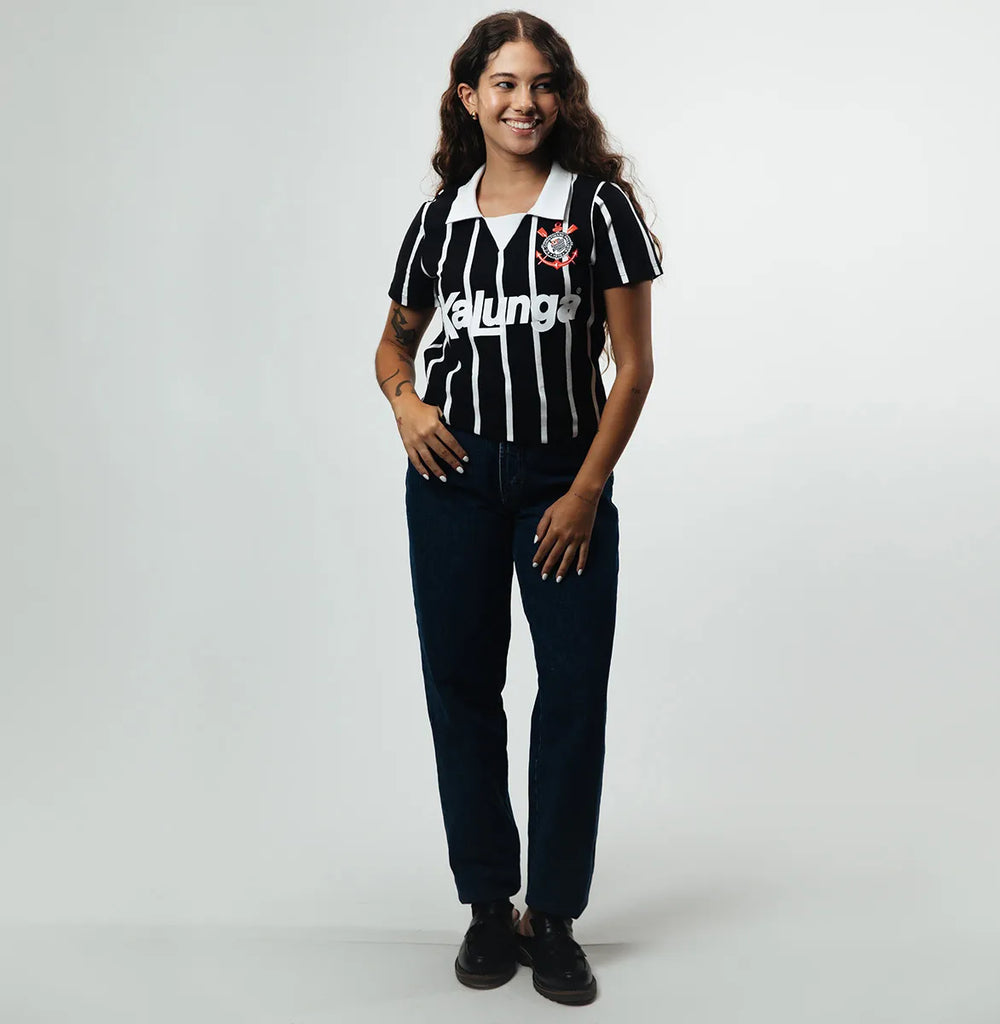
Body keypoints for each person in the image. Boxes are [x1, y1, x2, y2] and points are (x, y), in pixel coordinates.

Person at [374, 10, 663, 1007]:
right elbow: (393, 342)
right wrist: (407, 405)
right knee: (461, 688)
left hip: (558, 484)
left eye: (541, 83)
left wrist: (585, 490)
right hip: (452, 483)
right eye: (503, 83)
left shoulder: (596, 210)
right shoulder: (439, 219)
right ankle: (488, 905)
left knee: (571, 695)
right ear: (469, 98)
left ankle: (556, 916)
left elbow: (634, 369)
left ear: (560, 96)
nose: (523, 102)